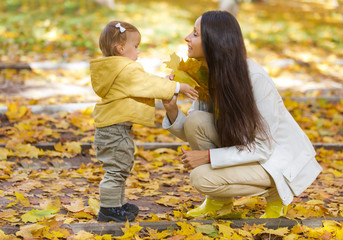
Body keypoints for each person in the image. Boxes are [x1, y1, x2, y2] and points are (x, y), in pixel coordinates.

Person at [162, 11, 322, 218]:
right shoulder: (208, 75)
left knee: (201, 177)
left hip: (274, 159)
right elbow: (193, 130)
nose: (187, 38)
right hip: (244, 148)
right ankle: (219, 203)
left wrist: (208, 157)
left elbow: (264, 147)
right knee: (196, 120)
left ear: (214, 41)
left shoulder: (254, 78)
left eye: (195, 34)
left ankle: (276, 196)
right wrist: (171, 108)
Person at [91, 20, 198, 222]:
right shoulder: (125, 70)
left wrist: (166, 84)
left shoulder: (116, 70)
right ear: (120, 48)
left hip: (113, 128)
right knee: (116, 170)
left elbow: (145, 84)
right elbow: (146, 83)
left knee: (120, 166)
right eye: (136, 46)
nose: (138, 52)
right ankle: (108, 208)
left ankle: (116, 204)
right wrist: (177, 87)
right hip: (114, 130)